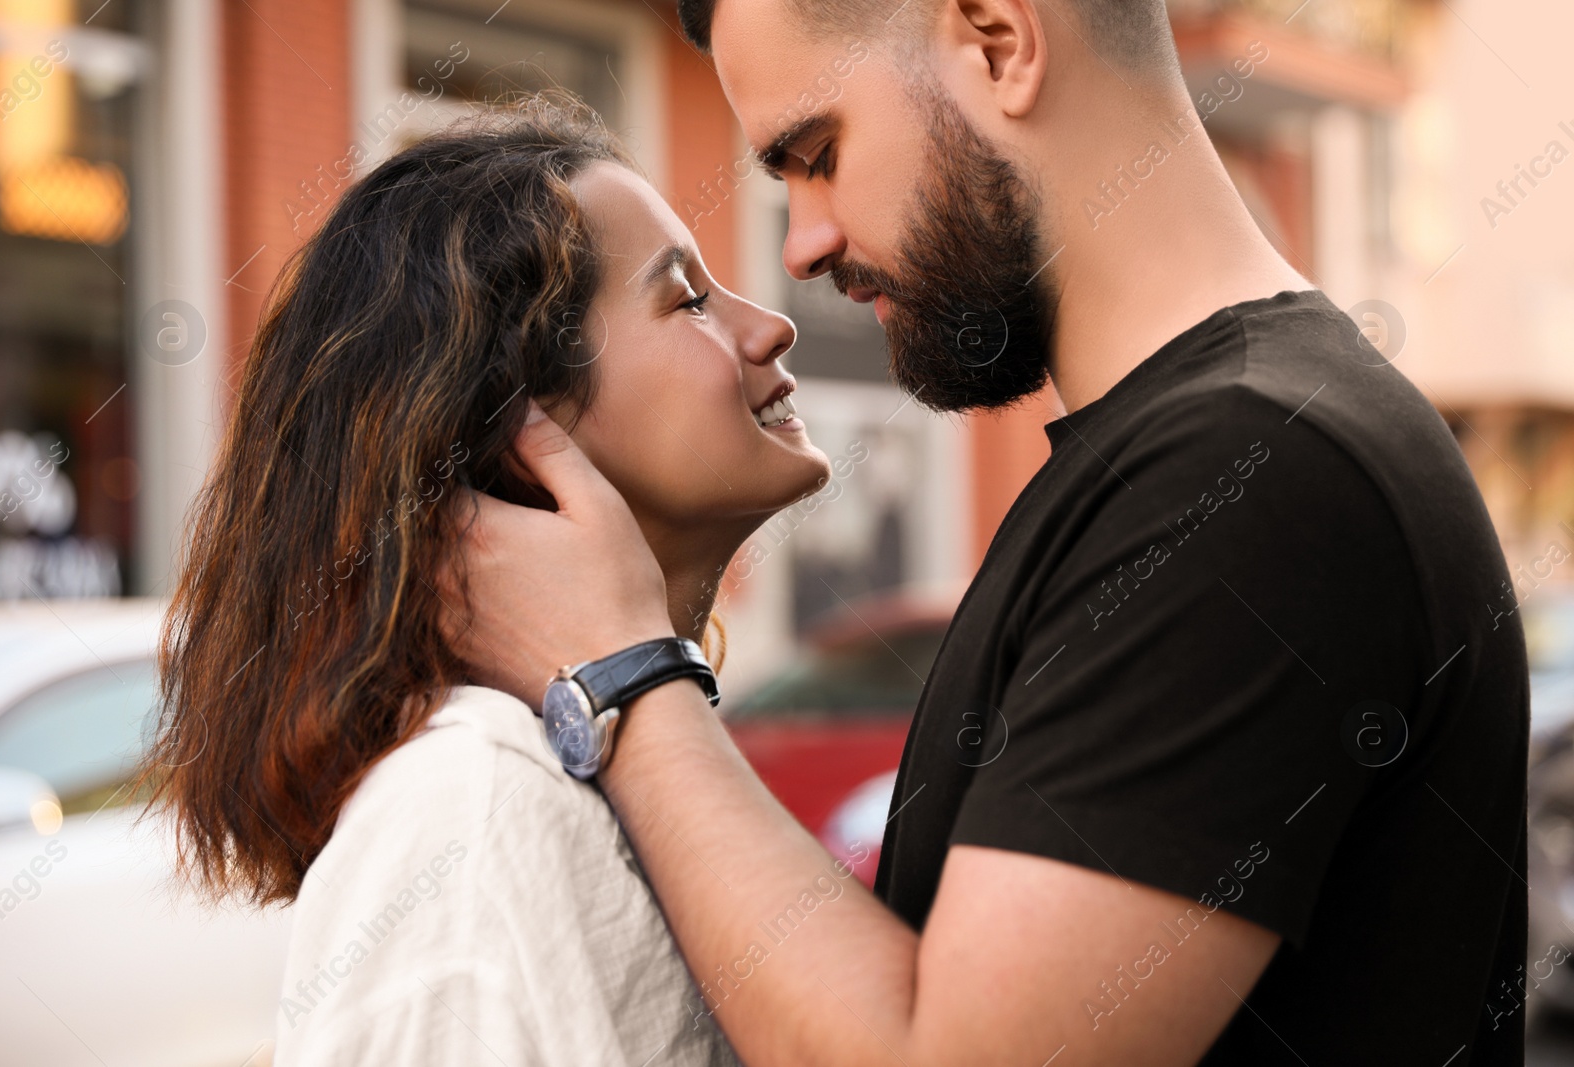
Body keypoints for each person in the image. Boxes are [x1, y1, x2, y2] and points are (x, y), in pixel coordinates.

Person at [445, 1, 1529, 1064]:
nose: (806, 247)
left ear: (996, 40)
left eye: (818, 153)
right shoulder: (1197, 452)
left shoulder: (1249, 472)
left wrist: (621, 667)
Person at [141, 98, 835, 1065]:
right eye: (687, 299)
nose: (769, 328)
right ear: (519, 426)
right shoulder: (471, 804)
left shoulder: (601, 761)